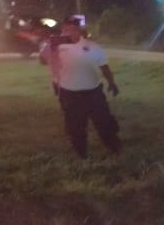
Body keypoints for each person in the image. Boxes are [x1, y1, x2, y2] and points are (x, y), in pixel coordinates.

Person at [51, 15, 121, 158]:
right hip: (69, 94)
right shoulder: (57, 46)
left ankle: (115, 148)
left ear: (80, 30)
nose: (70, 32)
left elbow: (104, 67)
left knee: (104, 123)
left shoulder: (93, 47)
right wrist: (51, 47)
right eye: (67, 29)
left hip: (93, 92)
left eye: (74, 29)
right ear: (63, 30)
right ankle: (82, 155)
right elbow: (46, 61)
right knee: (75, 127)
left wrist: (112, 83)